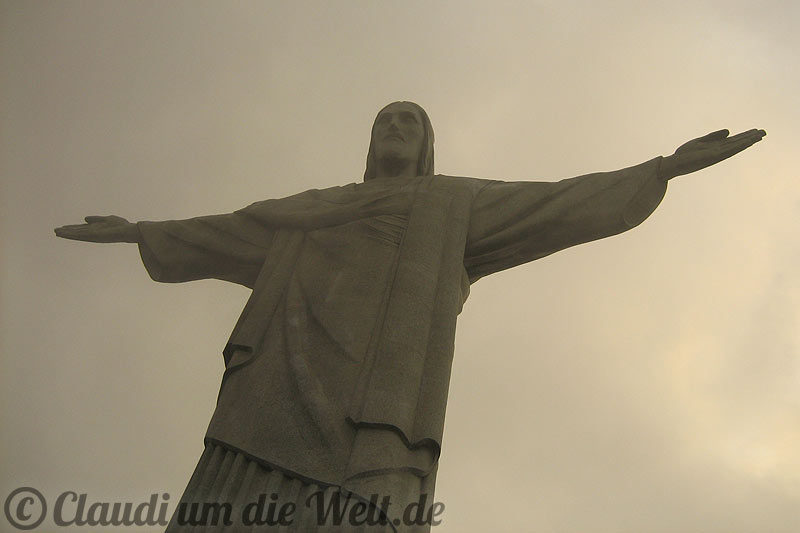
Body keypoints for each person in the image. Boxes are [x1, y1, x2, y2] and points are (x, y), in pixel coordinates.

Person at [55, 101, 765, 531]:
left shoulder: (453, 207)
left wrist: (662, 168)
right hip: (265, 400)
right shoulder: (308, 212)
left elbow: (555, 203)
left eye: (409, 121)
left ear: (426, 146)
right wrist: (136, 230)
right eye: (385, 120)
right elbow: (220, 233)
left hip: (379, 416)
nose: (396, 127)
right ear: (370, 143)